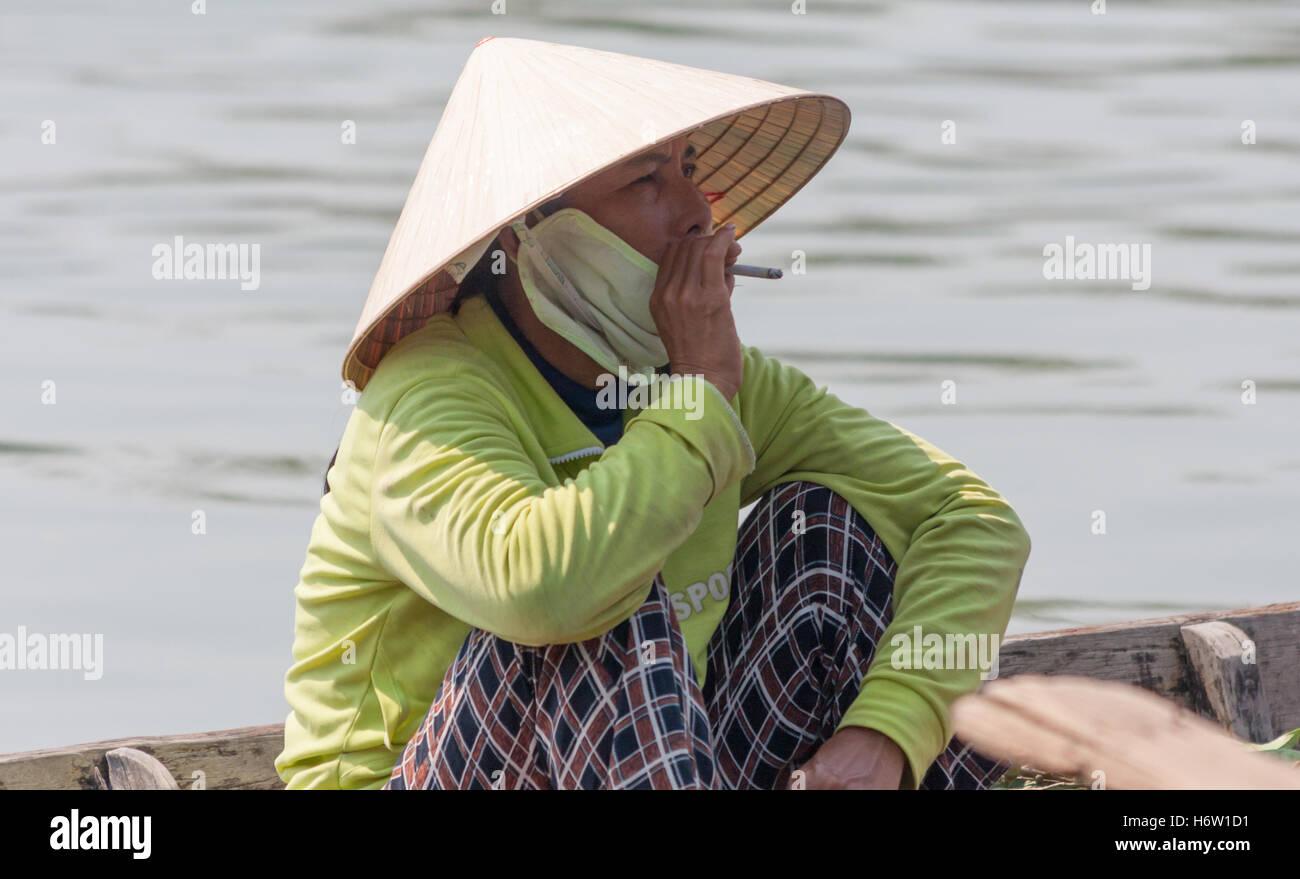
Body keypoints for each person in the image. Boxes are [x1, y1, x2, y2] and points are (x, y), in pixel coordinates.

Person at [275, 37, 1031, 790]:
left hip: (647, 763)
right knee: (606, 595)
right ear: (533, 229)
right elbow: (545, 589)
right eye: (647, 181)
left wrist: (887, 736)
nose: (698, 214)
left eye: (690, 170)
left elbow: (970, 519)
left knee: (827, 529)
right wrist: (699, 393)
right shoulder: (427, 398)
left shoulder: (705, 378)